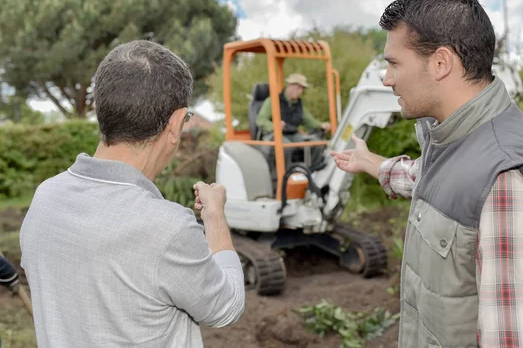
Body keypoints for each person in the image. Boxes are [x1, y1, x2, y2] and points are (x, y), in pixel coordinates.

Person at [331, 0, 523, 348]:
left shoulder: (503, 179)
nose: (387, 78)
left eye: (393, 63)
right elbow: (427, 180)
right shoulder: (458, 141)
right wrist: (369, 162)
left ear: (440, 63)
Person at [19, 40, 245, 348]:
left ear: (101, 109)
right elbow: (226, 307)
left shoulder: (46, 197)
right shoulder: (167, 228)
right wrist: (215, 216)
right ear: (176, 124)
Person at [256, 72, 331, 172]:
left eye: (302, 89)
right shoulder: (272, 101)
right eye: (298, 88)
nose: (300, 91)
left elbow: (309, 121)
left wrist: (321, 125)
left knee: (316, 144)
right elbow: (260, 120)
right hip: (273, 135)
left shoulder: (298, 104)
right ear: (290, 86)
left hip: (292, 134)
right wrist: (274, 126)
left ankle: (311, 172)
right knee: (286, 147)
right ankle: (286, 175)